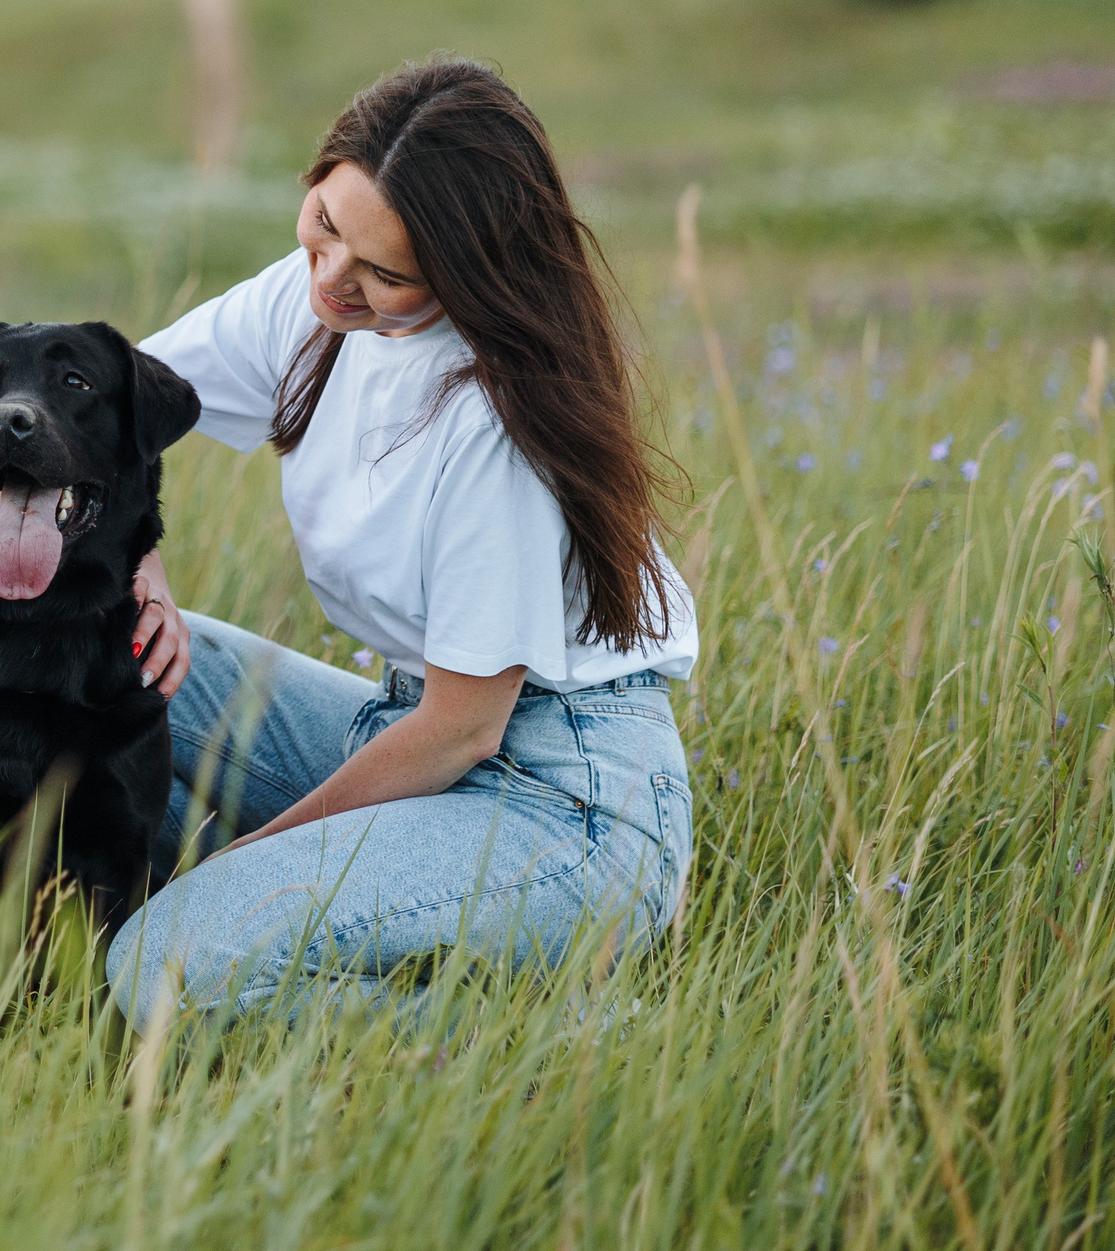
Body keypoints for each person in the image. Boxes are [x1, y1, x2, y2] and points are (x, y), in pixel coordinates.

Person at [106, 55, 698, 1022]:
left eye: (387, 273)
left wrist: (252, 860)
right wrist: (145, 565)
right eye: (325, 226)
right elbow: (102, 409)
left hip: (562, 806)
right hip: (411, 730)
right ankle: (246, 915)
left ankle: (579, 1036)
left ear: (467, 277)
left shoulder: (490, 419)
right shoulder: (308, 307)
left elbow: (464, 726)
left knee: (158, 969)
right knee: (105, 653)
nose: (333, 281)